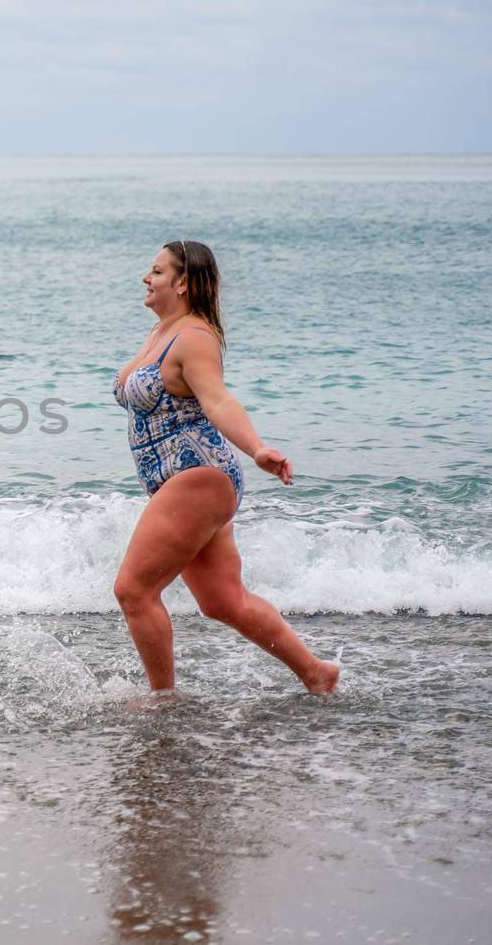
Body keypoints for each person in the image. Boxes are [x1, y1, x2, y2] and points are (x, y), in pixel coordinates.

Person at [111, 240, 339, 694]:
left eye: (156, 272)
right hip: (186, 480)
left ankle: (163, 698)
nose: (146, 278)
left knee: (133, 590)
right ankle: (317, 673)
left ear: (183, 283)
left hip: (197, 474)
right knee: (223, 601)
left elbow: (217, 400)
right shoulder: (163, 331)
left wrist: (257, 449)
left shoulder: (193, 337)